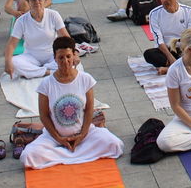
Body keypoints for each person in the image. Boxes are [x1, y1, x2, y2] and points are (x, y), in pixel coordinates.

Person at [21, 37, 124, 169]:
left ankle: (66, 154)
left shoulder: (85, 79)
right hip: (54, 137)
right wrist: (59, 138)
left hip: (84, 133)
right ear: (54, 58)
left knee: (115, 144)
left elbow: (89, 110)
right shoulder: (46, 84)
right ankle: (75, 152)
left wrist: (82, 135)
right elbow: (44, 116)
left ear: (74, 55)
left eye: (68, 56)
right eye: (61, 58)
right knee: (27, 156)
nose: (65, 61)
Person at [4, 0, 70, 79]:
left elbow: (66, 37)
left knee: (69, 61)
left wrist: (74, 53)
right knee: (14, 62)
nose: (37, 2)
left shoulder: (53, 15)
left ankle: (36, 71)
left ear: (44, 0)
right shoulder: (21, 21)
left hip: (52, 55)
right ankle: (48, 72)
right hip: (31, 57)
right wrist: (7, 62)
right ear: (28, 1)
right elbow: (11, 44)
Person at [143, 0, 191, 70]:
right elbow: (158, 40)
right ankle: (180, 65)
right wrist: (170, 57)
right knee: (149, 54)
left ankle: (169, 68)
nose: (164, 0)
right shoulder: (154, 14)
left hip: (185, 48)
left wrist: (185, 53)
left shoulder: (188, 11)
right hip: (166, 50)